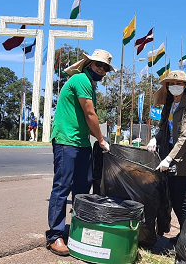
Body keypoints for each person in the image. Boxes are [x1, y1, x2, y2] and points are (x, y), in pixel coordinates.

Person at [45, 49, 113, 256]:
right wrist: (101, 140)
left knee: (83, 188)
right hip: (66, 140)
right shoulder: (81, 79)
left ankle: (77, 230)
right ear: (89, 64)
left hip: (81, 142)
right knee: (62, 186)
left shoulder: (90, 85)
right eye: (98, 65)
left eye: (105, 68)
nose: (101, 70)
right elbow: (90, 113)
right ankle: (55, 235)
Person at [146, 70, 186, 243]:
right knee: (170, 200)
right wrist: (155, 138)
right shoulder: (169, 106)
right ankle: (184, 236)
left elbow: (185, 137)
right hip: (168, 157)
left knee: (181, 203)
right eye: (171, 84)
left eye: (179, 84)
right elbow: (164, 129)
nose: (175, 87)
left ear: (185, 86)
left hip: (183, 161)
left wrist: (169, 158)